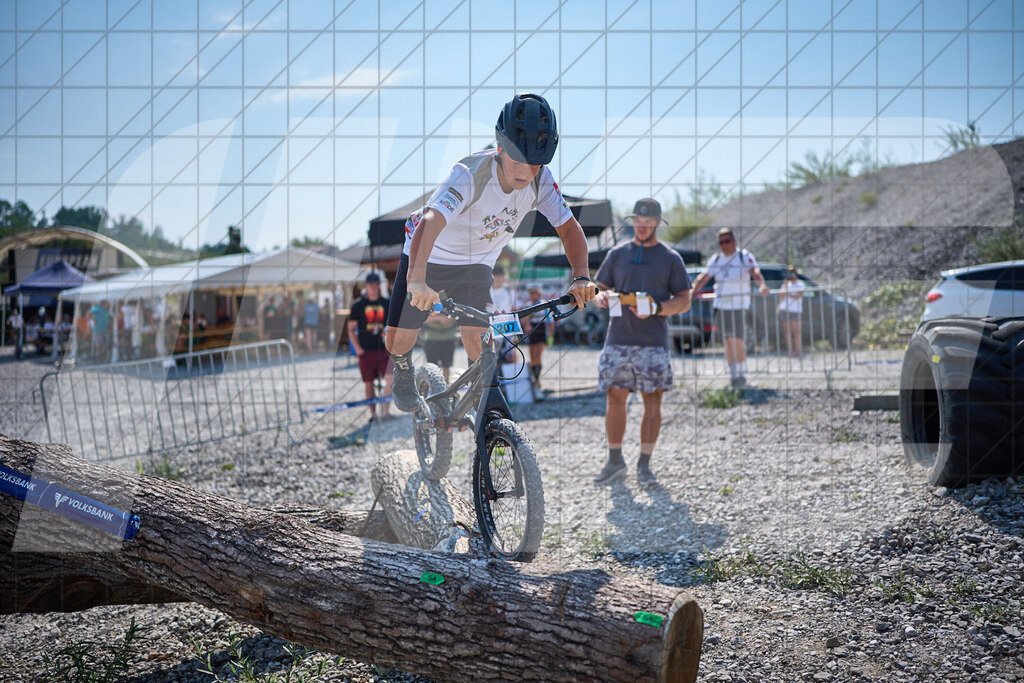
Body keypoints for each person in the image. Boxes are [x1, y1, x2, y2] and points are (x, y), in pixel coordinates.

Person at [384, 92, 595, 412]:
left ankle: (485, 403)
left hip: (477, 264)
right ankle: (403, 370)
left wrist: (581, 277)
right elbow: (432, 219)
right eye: (518, 160)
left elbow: (568, 228)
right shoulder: (470, 173)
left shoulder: (542, 182)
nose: (526, 171)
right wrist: (416, 278)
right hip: (429, 253)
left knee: (478, 339)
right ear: (500, 149)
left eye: (535, 163)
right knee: (398, 341)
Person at [591, 198, 692, 486]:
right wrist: (600, 296)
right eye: (638, 221)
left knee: (652, 400)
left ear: (658, 223)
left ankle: (645, 465)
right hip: (618, 339)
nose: (642, 226)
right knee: (615, 398)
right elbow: (601, 287)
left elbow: (684, 300)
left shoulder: (671, 258)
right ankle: (614, 461)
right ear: (633, 221)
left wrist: (658, 308)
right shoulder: (617, 254)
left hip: (654, 342)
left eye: (648, 222)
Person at [690, 228, 770, 388]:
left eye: (727, 241)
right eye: (721, 242)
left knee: (737, 339)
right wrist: (692, 291)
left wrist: (762, 286)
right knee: (727, 340)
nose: (724, 245)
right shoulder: (716, 259)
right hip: (721, 305)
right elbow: (704, 277)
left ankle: (741, 374)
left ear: (734, 241)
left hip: (739, 305)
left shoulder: (744, 256)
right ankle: (734, 375)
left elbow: (755, 272)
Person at [348, 272, 392, 422]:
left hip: (384, 349)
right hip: (366, 350)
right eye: (370, 285)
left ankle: (385, 413)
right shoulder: (358, 305)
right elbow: (351, 328)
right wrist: (358, 349)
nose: (373, 288)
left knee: (390, 379)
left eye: (376, 285)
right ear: (366, 286)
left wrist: (388, 333)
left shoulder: (387, 303)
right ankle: (373, 415)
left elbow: (393, 324)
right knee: (369, 383)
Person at [521, 284, 555, 401]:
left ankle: (537, 379)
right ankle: (534, 379)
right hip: (532, 332)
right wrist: (526, 326)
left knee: (538, 356)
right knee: (532, 356)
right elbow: (525, 319)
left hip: (541, 331)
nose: (532, 295)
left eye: (534, 292)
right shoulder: (528, 305)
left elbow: (550, 321)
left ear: (539, 293)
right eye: (531, 293)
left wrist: (550, 335)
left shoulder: (544, 304)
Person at [421, 310, 458, 382]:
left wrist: (447, 319)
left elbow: (458, 317)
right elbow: (422, 318)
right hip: (431, 338)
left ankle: (446, 385)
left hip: (449, 338)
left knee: (447, 365)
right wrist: (438, 318)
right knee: (431, 366)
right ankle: (433, 385)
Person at [778, 265, 805, 358]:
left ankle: (799, 352)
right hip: (785, 309)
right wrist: (785, 285)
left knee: (796, 332)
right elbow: (781, 295)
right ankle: (790, 352)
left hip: (796, 310)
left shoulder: (800, 284)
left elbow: (798, 295)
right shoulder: (786, 285)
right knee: (787, 332)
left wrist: (788, 294)